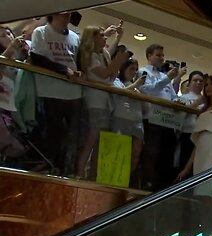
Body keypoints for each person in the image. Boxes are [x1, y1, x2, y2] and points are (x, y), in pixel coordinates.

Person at [30, 12, 83, 175]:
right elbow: (37, 58)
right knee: (52, 133)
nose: (67, 16)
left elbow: (78, 61)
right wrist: (63, 70)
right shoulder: (41, 32)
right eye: (63, 13)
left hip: (73, 92)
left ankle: (65, 169)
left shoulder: (75, 37)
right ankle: (48, 166)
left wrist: (79, 72)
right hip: (51, 90)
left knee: (72, 135)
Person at [76, 25, 129, 179]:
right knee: (91, 141)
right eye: (101, 35)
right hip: (94, 101)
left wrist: (118, 38)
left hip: (104, 102)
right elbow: (105, 73)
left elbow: (109, 73)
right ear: (92, 38)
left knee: (99, 142)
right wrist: (119, 60)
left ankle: (92, 175)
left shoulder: (102, 54)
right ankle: (80, 174)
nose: (104, 37)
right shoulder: (91, 56)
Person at [139, 44, 186, 190]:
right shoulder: (142, 71)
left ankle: (163, 187)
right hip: (152, 119)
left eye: (162, 55)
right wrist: (168, 78)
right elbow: (148, 91)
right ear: (149, 56)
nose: (161, 58)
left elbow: (172, 96)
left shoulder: (162, 75)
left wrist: (176, 101)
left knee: (167, 154)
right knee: (151, 154)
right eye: (158, 55)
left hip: (168, 120)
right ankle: (147, 185)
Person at [176, 75, 212, 198]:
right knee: (200, 194)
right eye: (206, 85)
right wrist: (187, 167)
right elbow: (198, 141)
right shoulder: (204, 109)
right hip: (202, 149)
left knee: (208, 192)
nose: (208, 87)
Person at [111, 58, 146, 176]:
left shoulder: (136, 87)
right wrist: (135, 85)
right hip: (121, 119)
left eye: (136, 70)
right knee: (118, 152)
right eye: (131, 69)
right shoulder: (116, 81)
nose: (134, 72)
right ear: (123, 68)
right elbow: (119, 93)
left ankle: (127, 177)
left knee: (135, 154)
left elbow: (146, 108)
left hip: (137, 122)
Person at [175, 70, 204, 179]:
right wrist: (196, 104)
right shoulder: (183, 98)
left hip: (202, 135)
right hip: (187, 134)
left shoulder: (207, 101)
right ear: (190, 82)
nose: (198, 83)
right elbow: (178, 116)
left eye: (201, 81)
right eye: (195, 80)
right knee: (185, 161)